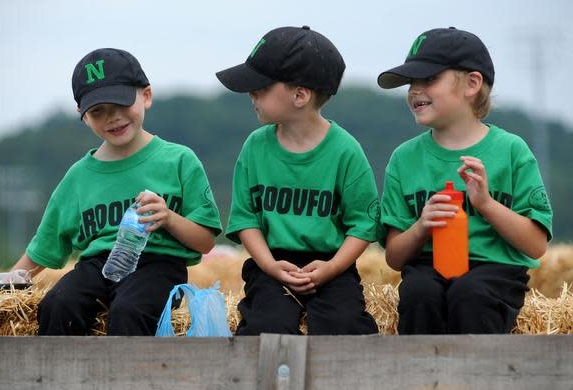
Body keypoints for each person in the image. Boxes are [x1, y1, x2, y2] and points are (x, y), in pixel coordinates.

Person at [0, 48, 222, 335]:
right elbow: (46, 244)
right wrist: (7, 289)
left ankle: (126, 381)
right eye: (98, 111)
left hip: (158, 265)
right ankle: (61, 379)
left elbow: (205, 242)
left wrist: (169, 218)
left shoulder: (179, 161)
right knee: (57, 303)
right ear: (83, 116)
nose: (112, 118)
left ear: (146, 96)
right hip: (97, 266)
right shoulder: (78, 177)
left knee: (128, 309)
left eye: (120, 104)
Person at [376, 27, 553, 334]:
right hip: (428, 268)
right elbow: (394, 257)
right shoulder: (404, 159)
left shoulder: (511, 151)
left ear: (472, 83)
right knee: (418, 294)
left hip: (495, 272)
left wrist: (485, 204)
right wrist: (421, 227)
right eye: (411, 83)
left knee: (470, 295)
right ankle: (421, 381)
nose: (415, 90)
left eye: (429, 79)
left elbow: (536, 245)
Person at [216, 26, 379, 335]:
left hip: (333, 265)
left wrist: (331, 268)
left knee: (344, 326)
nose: (251, 93)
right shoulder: (254, 146)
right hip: (271, 263)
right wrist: (268, 265)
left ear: (300, 95)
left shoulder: (346, 151)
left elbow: (363, 224)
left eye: (261, 87)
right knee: (267, 326)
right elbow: (245, 218)